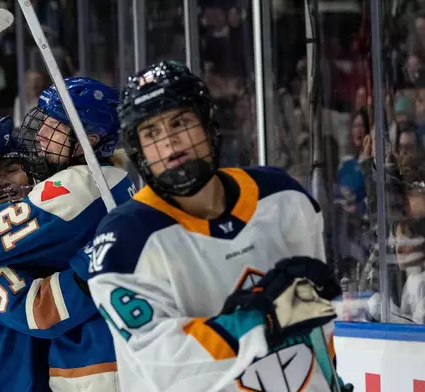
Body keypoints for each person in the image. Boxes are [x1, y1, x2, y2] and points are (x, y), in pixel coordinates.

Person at [87, 61, 352, 392]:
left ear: (207, 123)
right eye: (151, 133)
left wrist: (329, 380)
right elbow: (163, 360)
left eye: (180, 122)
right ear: (138, 149)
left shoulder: (283, 198)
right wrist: (254, 324)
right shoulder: (124, 242)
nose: (169, 143)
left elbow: (314, 317)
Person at [0, 77, 135, 391]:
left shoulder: (77, 191)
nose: (3, 182)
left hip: (100, 371)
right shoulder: (0, 250)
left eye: (12, 169)